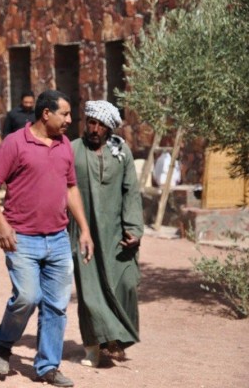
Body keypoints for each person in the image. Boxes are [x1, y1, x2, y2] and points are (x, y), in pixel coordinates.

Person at [0, 90, 94, 387]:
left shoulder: (64, 145)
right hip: (22, 238)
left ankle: (48, 366)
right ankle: (3, 344)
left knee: (56, 305)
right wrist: (1, 224)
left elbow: (70, 188)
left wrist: (84, 229)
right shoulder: (15, 143)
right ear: (46, 114)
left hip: (58, 238)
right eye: (65, 114)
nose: (70, 120)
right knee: (27, 297)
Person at [68, 100, 144, 368]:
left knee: (125, 284)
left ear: (109, 129)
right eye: (91, 122)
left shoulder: (121, 152)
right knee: (90, 292)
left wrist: (133, 228)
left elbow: (131, 191)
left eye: (101, 125)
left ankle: (115, 339)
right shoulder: (72, 150)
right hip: (82, 232)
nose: (94, 129)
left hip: (116, 233)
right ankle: (93, 347)